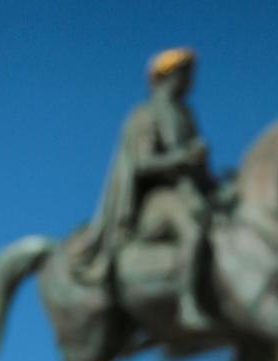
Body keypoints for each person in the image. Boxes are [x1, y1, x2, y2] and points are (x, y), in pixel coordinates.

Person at [73, 47, 214, 330]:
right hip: (157, 199)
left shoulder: (184, 115)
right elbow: (141, 163)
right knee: (193, 229)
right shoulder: (146, 114)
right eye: (185, 74)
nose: (190, 81)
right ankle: (188, 303)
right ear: (168, 76)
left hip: (188, 191)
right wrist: (183, 158)